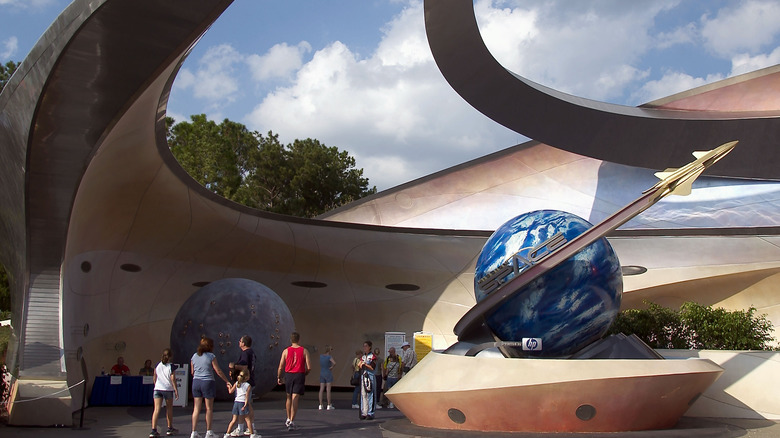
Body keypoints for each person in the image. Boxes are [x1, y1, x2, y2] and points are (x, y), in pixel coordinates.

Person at [190, 337, 231, 438]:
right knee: (209, 408)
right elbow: (218, 371)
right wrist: (227, 381)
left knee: (196, 408)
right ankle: (208, 431)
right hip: (207, 381)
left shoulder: (194, 356)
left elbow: (192, 372)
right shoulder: (211, 356)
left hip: (196, 382)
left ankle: (193, 431)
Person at [277, 332, 311, 431]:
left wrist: (279, 377)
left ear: (291, 340)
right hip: (299, 374)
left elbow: (280, 366)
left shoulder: (286, 351)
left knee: (288, 396)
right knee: (295, 397)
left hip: (289, 375)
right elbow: (309, 367)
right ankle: (291, 420)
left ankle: (288, 417)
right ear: (299, 339)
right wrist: (304, 374)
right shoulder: (304, 351)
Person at [228, 335, 257, 435]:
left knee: (245, 405)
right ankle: (242, 427)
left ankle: (250, 428)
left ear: (244, 343)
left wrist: (233, 366)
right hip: (248, 381)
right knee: (245, 404)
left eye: (240, 341)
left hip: (245, 383)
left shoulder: (245, 353)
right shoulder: (251, 352)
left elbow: (244, 366)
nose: (239, 342)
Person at [149, 348, 179, 437]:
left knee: (156, 409)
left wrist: (156, 385)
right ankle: (170, 428)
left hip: (158, 389)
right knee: (169, 409)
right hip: (167, 389)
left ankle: (153, 430)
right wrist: (176, 389)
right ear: (170, 356)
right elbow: (173, 378)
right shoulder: (171, 366)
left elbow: (154, 376)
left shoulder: (157, 365)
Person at [224, 369, 260, 438]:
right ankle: (252, 434)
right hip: (243, 402)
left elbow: (230, 391)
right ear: (247, 377)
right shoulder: (248, 385)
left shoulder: (237, 383)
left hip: (236, 402)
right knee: (248, 419)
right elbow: (247, 397)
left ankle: (227, 434)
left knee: (233, 420)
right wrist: (246, 404)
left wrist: (229, 387)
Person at [357, 340, 377, 420]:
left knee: (370, 394)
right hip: (363, 376)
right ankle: (364, 412)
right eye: (363, 346)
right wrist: (360, 365)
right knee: (363, 394)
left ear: (369, 347)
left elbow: (372, 367)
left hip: (370, 376)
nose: (364, 348)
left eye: (366, 346)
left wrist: (365, 364)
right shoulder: (363, 357)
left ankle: (370, 412)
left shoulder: (372, 356)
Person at [318, 345, 336, 410]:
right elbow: (334, 363)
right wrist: (332, 367)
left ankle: (320, 404)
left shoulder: (321, 356)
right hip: (328, 372)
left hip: (322, 372)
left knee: (321, 389)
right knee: (328, 389)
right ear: (329, 350)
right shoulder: (329, 357)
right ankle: (329, 404)